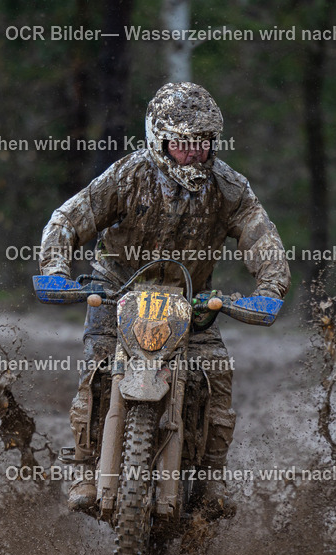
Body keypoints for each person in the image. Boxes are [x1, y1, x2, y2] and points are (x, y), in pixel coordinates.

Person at [38, 82, 290, 514]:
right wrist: (57, 271)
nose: (195, 153)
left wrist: (269, 287)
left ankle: (210, 480)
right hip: (116, 291)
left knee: (216, 373)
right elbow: (68, 219)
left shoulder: (230, 188)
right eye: (184, 144)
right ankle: (83, 467)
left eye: (203, 143)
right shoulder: (126, 176)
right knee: (97, 366)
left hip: (189, 302)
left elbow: (262, 238)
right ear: (159, 139)